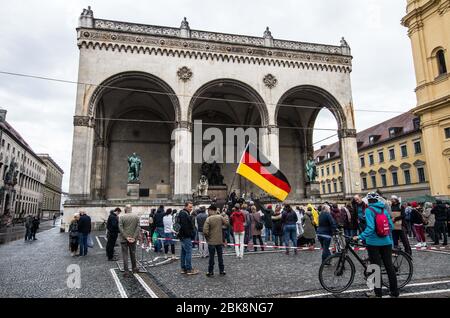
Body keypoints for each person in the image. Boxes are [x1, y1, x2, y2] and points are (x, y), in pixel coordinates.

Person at [353, 192, 399, 298]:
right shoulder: (383, 209)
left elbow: (370, 228)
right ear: (378, 200)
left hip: (373, 243)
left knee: (375, 267)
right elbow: (391, 225)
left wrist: (359, 237)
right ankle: (395, 292)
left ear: (368, 201)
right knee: (389, 267)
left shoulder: (369, 210)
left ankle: (378, 293)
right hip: (386, 242)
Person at [203, 205, 228, 276]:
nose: (208, 212)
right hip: (219, 241)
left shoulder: (208, 219)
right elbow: (226, 223)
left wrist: (207, 238)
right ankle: (222, 270)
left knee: (211, 257)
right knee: (220, 257)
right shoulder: (220, 217)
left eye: (208, 210)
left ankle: (210, 271)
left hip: (211, 241)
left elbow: (205, 231)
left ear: (211, 210)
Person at [118, 205, 140, 277]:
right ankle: (134, 268)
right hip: (133, 239)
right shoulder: (136, 217)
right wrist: (133, 237)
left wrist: (126, 237)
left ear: (125, 209)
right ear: (131, 209)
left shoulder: (122, 217)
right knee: (133, 253)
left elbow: (120, 228)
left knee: (125, 255)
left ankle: (126, 271)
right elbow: (138, 228)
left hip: (124, 239)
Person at [178, 201, 199, 275]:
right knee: (188, 252)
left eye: (191, 207)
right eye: (190, 207)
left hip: (182, 236)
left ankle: (183, 268)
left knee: (183, 252)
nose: (191, 208)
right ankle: (189, 269)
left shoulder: (182, 213)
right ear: (185, 206)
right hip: (186, 236)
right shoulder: (184, 214)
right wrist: (191, 234)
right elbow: (185, 227)